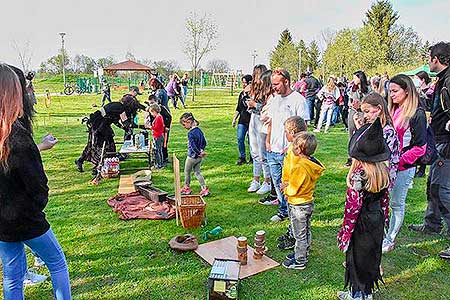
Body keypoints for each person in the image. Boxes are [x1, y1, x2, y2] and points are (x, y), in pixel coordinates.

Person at [0, 63, 72, 299]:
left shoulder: (11, 136)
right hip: (25, 218)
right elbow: (38, 185)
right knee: (57, 263)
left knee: (12, 275)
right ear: (14, 94)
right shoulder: (17, 135)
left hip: (3, 221)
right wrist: (35, 209)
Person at [337, 118, 391, 300]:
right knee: (370, 258)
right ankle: (365, 293)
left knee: (356, 260)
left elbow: (352, 211)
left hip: (361, 224)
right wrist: (385, 222)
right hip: (376, 221)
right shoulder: (383, 174)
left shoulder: (358, 177)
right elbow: (385, 202)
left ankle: (357, 295)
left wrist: (345, 234)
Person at [408, 42, 450, 260]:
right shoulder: (442, 79)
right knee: (433, 186)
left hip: (447, 143)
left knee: (443, 190)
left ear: (437, 59)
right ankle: (431, 224)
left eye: (430, 58)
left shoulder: (449, 81)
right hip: (438, 140)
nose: (428, 61)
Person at [382, 74, 427, 253]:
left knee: (396, 203)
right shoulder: (392, 110)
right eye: (389, 91)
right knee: (384, 201)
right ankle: (382, 234)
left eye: (394, 91)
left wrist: (398, 162)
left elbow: (420, 147)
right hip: (386, 166)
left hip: (403, 168)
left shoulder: (417, 113)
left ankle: (390, 238)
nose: (391, 95)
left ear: (406, 91)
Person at [267, 67, 310, 222]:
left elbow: (303, 127)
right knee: (278, 183)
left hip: (289, 151)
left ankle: (287, 210)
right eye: (273, 84)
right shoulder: (274, 99)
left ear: (286, 81)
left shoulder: (298, 100)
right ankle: (284, 207)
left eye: (277, 84)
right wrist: (268, 141)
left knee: (289, 184)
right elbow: (271, 121)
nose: (274, 87)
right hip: (273, 149)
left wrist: (292, 147)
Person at [75, 87, 145, 174]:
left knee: (94, 144)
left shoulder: (117, 106)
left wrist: (123, 127)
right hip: (100, 125)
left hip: (99, 123)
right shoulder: (121, 108)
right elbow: (127, 124)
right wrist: (142, 126)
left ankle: (81, 161)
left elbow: (115, 120)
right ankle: (98, 167)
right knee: (105, 145)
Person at [281, 132, 325, 269]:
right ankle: (303, 252)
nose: (291, 148)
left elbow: (294, 189)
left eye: (294, 146)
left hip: (298, 205)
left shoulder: (301, 167)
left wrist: (285, 189)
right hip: (307, 202)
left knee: (299, 234)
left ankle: (300, 260)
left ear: (299, 149)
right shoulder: (310, 163)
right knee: (306, 230)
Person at [277, 116, 308, 251]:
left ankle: (295, 239)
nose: (285, 134)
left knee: (296, 217)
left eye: (285, 132)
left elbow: (296, 172)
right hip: (290, 189)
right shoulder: (293, 147)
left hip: (295, 191)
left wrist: (287, 186)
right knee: (292, 215)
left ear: (292, 133)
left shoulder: (297, 152)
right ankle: (292, 234)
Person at [247, 65, 272, 195]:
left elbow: (268, 108)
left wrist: (255, 105)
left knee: (263, 154)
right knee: (254, 151)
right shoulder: (255, 89)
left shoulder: (269, 91)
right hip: (254, 119)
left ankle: (267, 181)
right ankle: (256, 179)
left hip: (263, 122)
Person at [179, 112, 210, 197]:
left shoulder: (190, 133)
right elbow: (204, 142)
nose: (184, 127)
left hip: (191, 157)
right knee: (197, 173)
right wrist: (201, 151)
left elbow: (192, 146)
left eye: (184, 124)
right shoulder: (199, 131)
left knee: (187, 172)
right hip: (199, 158)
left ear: (189, 122)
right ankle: (204, 189)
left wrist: (198, 152)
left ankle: (186, 188)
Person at [345, 70, 370, 166]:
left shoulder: (368, 90)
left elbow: (370, 102)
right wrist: (352, 105)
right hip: (353, 113)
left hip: (363, 113)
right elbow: (349, 101)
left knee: (363, 135)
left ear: (360, 78)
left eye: (355, 77)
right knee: (351, 135)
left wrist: (361, 106)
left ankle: (362, 156)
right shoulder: (352, 89)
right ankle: (350, 157)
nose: (353, 80)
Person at [232, 74, 252, 165]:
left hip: (251, 121)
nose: (243, 84)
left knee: (251, 140)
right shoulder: (241, 94)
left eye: (245, 83)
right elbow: (238, 108)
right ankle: (242, 157)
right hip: (242, 121)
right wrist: (234, 119)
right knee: (240, 138)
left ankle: (252, 158)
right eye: (243, 82)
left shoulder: (253, 94)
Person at [146, 94, 172, 164]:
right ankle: (157, 159)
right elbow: (150, 119)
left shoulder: (161, 109)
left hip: (163, 129)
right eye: (150, 103)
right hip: (156, 130)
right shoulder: (151, 109)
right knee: (157, 146)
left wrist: (167, 126)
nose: (151, 104)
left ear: (156, 101)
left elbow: (169, 117)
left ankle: (164, 158)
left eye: (152, 103)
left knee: (163, 143)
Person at [145, 103, 165, 169]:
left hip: (158, 136)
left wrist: (149, 126)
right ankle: (159, 164)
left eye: (151, 112)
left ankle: (159, 165)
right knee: (159, 150)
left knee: (157, 151)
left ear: (154, 111)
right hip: (158, 135)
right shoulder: (159, 117)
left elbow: (156, 128)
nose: (151, 114)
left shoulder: (158, 118)